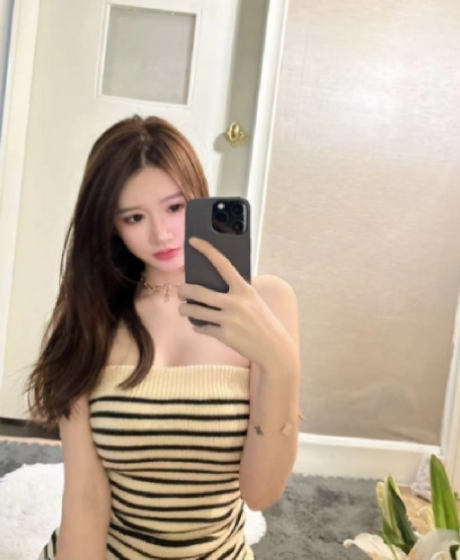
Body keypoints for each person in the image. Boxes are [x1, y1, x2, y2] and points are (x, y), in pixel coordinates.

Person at [27, 115, 302, 560]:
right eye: (135, 217)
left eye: (175, 207)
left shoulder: (267, 302)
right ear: (112, 226)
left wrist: (281, 365)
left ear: (200, 198)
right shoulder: (91, 317)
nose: (161, 234)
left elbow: (260, 493)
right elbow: (84, 497)